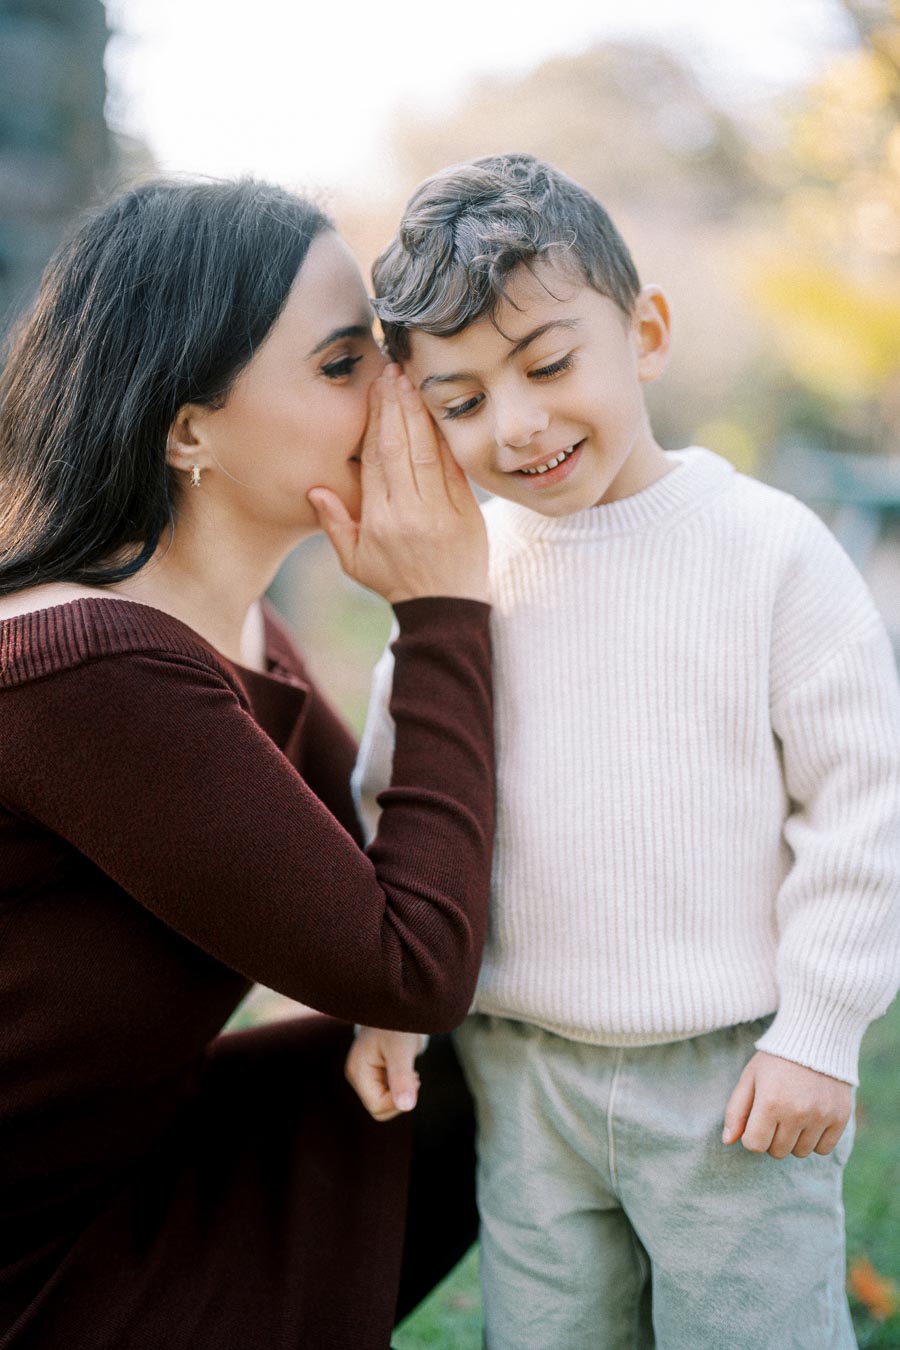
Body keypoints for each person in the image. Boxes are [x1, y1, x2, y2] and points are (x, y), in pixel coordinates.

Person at [348, 153, 900, 1348]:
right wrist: (389, 999)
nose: (522, 422)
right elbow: (404, 794)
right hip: (522, 1068)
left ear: (644, 331)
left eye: (550, 364)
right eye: (464, 401)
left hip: (734, 1077)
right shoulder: (464, 577)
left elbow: (864, 806)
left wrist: (821, 1029)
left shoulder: (768, 552)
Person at [0, 177, 496, 1350]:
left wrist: (397, 1002)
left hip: (116, 1177)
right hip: (33, 1271)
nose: (401, 388)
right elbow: (411, 959)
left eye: (385, 350)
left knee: (498, 1056)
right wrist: (438, 611)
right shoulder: (90, 667)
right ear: (187, 431)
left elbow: (392, 900)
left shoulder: (218, 627)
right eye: (342, 365)